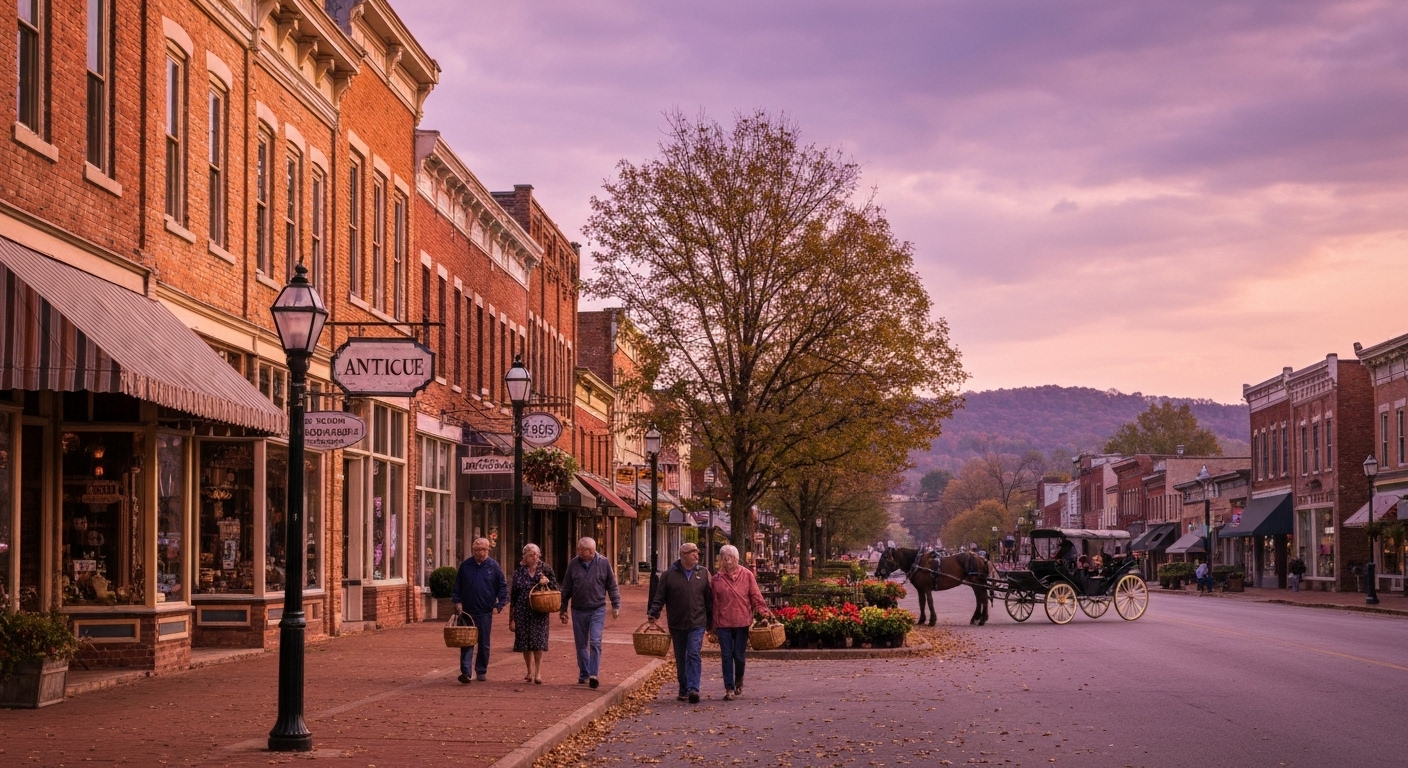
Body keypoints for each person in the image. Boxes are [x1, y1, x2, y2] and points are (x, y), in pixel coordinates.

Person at [648, 542, 712, 704]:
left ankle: (693, 689)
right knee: (681, 658)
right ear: (683, 555)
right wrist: (653, 613)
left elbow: (709, 600)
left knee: (693, 653)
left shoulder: (703, 573)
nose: (697, 555)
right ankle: (683, 688)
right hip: (677, 623)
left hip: (697, 622)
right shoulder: (669, 575)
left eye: (697, 552)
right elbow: (659, 596)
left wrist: (711, 623)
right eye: (693, 552)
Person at [559, 537, 621, 689]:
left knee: (595, 641)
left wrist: (615, 605)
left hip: (597, 608)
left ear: (592, 551)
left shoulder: (603, 563)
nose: (579, 552)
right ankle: (584, 673)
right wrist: (563, 608)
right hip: (578, 609)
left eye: (582, 550)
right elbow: (566, 587)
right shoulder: (574, 563)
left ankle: (594, 674)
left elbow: (612, 585)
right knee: (581, 645)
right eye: (578, 549)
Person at [711, 544, 770, 701]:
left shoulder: (747, 575)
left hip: (742, 622)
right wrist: (712, 625)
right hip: (723, 623)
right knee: (726, 656)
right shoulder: (716, 579)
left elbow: (755, 596)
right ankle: (729, 688)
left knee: (739, 656)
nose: (728, 562)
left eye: (731, 558)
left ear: (737, 559)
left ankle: (739, 681)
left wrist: (764, 614)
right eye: (724, 558)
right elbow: (714, 603)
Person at [452, 537, 508, 683]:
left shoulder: (493, 567)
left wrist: (499, 605)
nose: (479, 553)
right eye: (476, 550)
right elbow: (458, 585)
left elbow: (502, 587)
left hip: (485, 611)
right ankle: (466, 672)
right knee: (466, 641)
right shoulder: (465, 566)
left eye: (482, 550)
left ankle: (481, 670)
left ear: (487, 549)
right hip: (467, 611)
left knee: (483, 643)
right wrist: (457, 601)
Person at [508, 543, 556, 685]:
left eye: (536, 554)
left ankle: (538, 672)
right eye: (531, 555)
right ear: (524, 556)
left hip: (539, 611)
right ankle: (529, 671)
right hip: (522, 611)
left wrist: (546, 582)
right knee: (525, 642)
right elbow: (514, 595)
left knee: (538, 642)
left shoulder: (545, 569)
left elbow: (555, 587)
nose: (534, 557)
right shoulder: (519, 571)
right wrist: (511, 618)